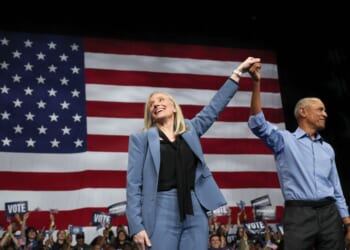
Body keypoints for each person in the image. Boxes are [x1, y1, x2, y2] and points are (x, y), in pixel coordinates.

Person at [125, 56, 261, 250]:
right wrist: (136, 226)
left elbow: (214, 107)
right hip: (160, 207)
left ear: (173, 107)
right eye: (151, 104)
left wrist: (237, 72)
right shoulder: (141, 139)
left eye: (161, 100)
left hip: (195, 205)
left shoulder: (191, 129)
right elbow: (133, 185)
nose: (155, 104)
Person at [247, 62, 350, 249]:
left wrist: (347, 221)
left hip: (330, 214)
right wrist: (256, 83)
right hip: (299, 214)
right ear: (303, 112)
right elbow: (257, 123)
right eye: (320, 109)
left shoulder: (327, 149)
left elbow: (336, 187)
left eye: (324, 110)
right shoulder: (284, 141)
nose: (325, 114)